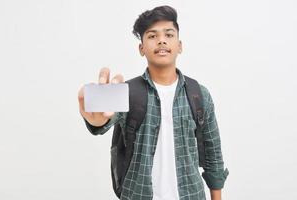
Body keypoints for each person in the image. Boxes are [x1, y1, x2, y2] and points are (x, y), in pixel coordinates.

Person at [78, 5, 228, 200]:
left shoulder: (199, 94)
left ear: (180, 45)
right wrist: (96, 119)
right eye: (152, 36)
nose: (162, 40)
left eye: (168, 34)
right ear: (141, 49)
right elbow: (101, 121)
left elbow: (213, 152)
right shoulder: (126, 91)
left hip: (191, 195)